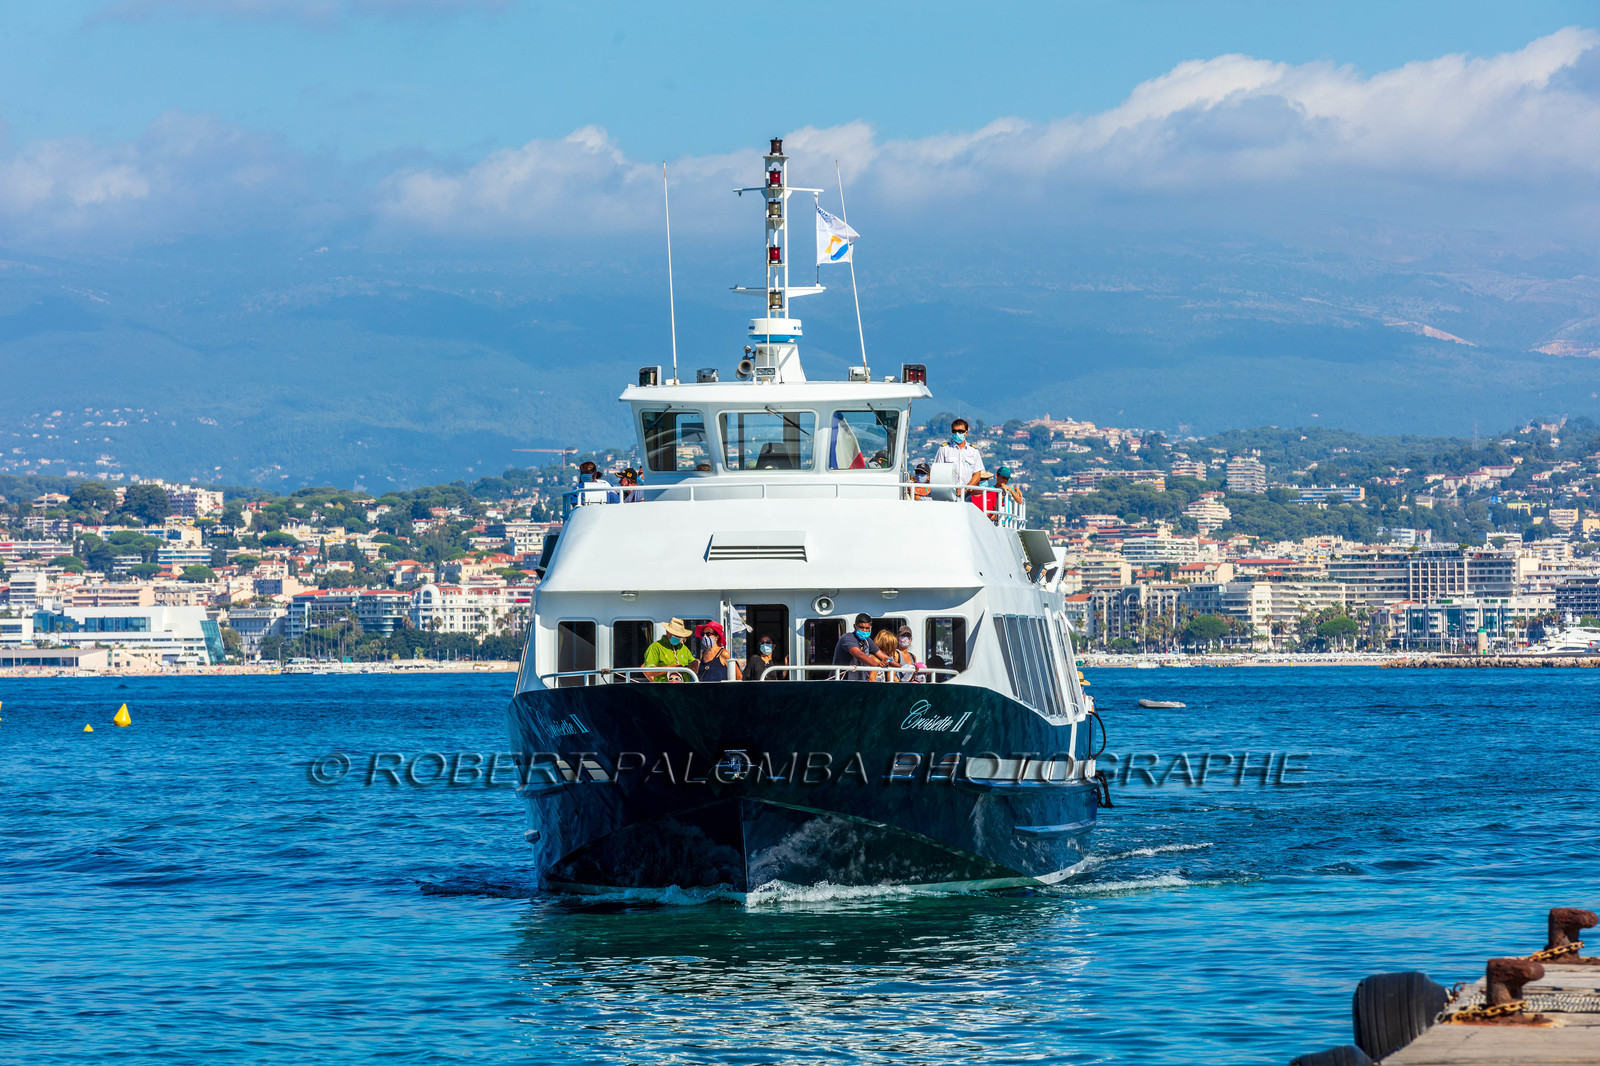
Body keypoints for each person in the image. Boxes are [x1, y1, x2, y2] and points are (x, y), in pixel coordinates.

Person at [932, 418, 985, 499]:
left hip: (967, 495)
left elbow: (977, 474)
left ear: (966, 432)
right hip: (948, 494)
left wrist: (966, 489)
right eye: (954, 431)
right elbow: (938, 473)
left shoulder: (973, 451)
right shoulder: (944, 449)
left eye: (960, 431)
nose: (957, 433)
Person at [833, 612, 891, 680]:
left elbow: (884, 657)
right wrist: (877, 665)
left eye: (867, 628)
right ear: (855, 626)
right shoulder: (847, 638)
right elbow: (859, 655)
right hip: (843, 683)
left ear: (870, 628)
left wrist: (902, 667)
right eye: (861, 627)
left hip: (862, 683)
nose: (864, 630)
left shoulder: (867, 640)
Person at [642, 617, 696, 681]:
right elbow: (648, 671)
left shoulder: (684, 648)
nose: (678, 637)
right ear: (667, 632)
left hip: (684, 689)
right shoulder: (655, 647)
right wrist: (672, 668)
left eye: (680, 636)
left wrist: (695, 663)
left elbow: (692, 663)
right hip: (665, 689)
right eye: (675, 635)